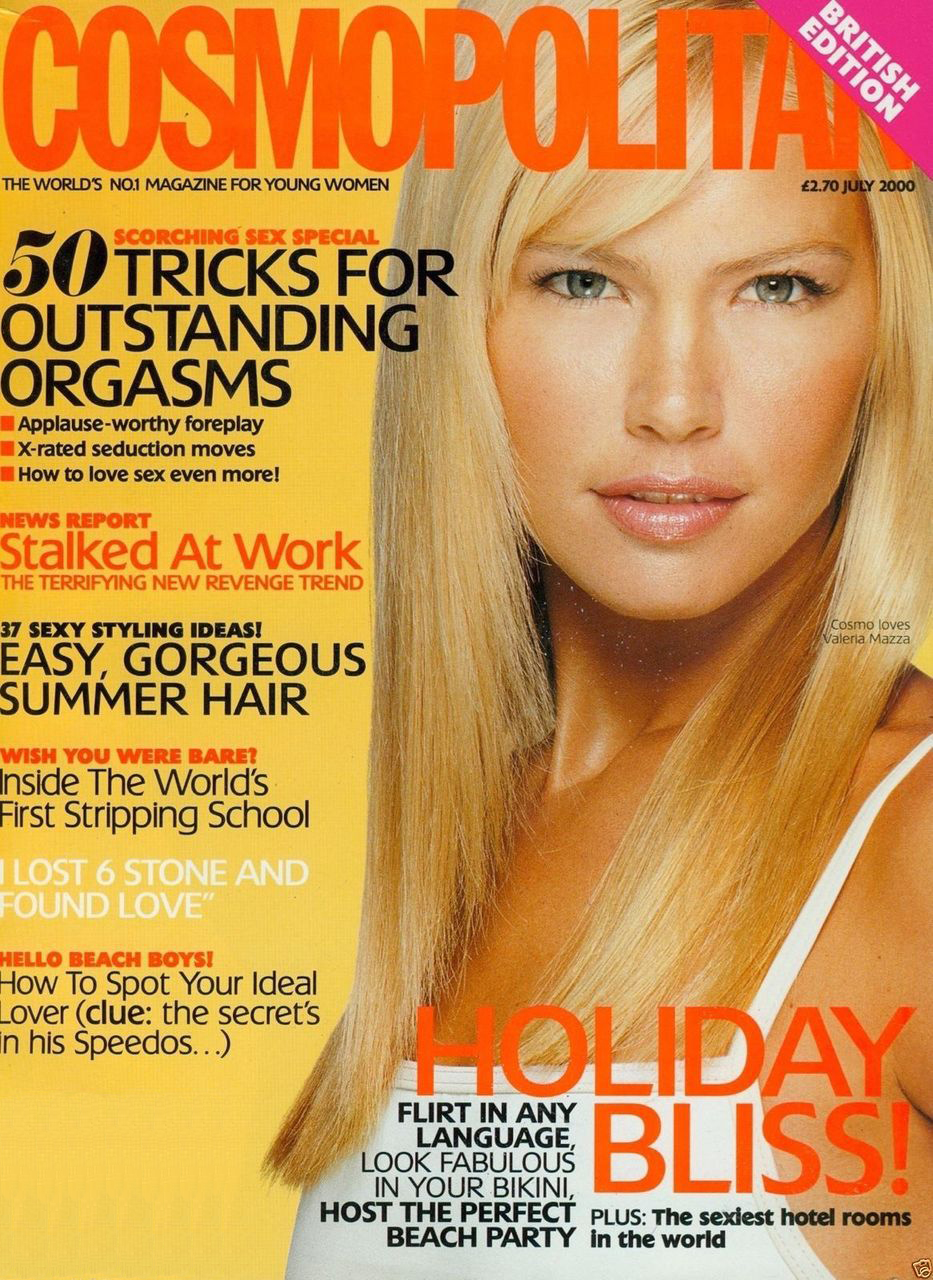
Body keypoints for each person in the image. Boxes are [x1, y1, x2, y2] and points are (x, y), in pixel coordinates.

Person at [270, 1, 933, 1275]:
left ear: (884, 328)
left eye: (779, 286)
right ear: (459, 321)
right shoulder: (475, 833)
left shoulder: (909, 835)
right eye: (583, 280)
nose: (674, 401)